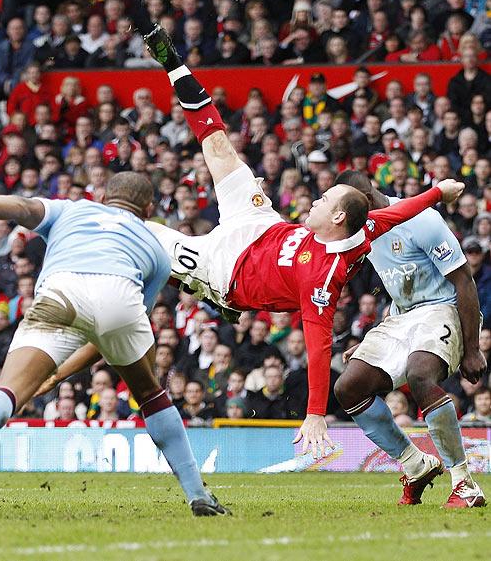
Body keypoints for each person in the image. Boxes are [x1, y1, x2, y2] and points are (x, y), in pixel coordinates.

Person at [136, 24, 466, 456]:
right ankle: (173, 62)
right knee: (217, 145)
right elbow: (401, 209)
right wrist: (438, 191)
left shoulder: (321, 281)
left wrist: (314, 413)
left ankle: (165, 273)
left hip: (227, 271)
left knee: (142, 234)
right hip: (260, 225)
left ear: (338, 216)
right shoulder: (363, 227)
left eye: (323, 199)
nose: (313, 199)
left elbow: (317, 348)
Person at [0, 172, 228, 518]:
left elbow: (22, 207)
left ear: (103, 196)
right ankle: (198, 495)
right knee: (151, 395)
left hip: (61, 290)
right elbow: (110, 334)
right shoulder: (156, 249)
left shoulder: (72, 210)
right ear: (148, 207)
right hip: (121, 294)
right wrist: (61, 374)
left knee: (9, 390)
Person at [333, 170, 486, 509]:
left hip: (444, 308)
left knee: (420, 374)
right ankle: (416, 465)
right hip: (403, 317)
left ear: (368, 202)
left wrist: (472, 348)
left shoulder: (422, 220)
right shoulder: (362, 234)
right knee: (348, 387)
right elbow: (398, 286)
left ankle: (464, 482)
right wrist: (378, 338)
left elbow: (463, 281)